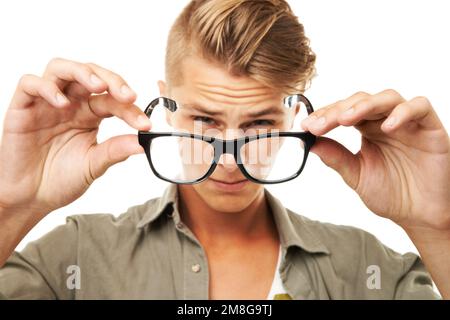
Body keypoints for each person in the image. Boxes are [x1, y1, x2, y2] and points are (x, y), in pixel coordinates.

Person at [0, 0, 448, 300]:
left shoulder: (370, 271)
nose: (231, 157)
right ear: (167, 106)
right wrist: (12, 204)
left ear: (294, 117)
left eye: (259, 123)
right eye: (205, 120)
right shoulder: (75, 258)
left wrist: (436, 227)